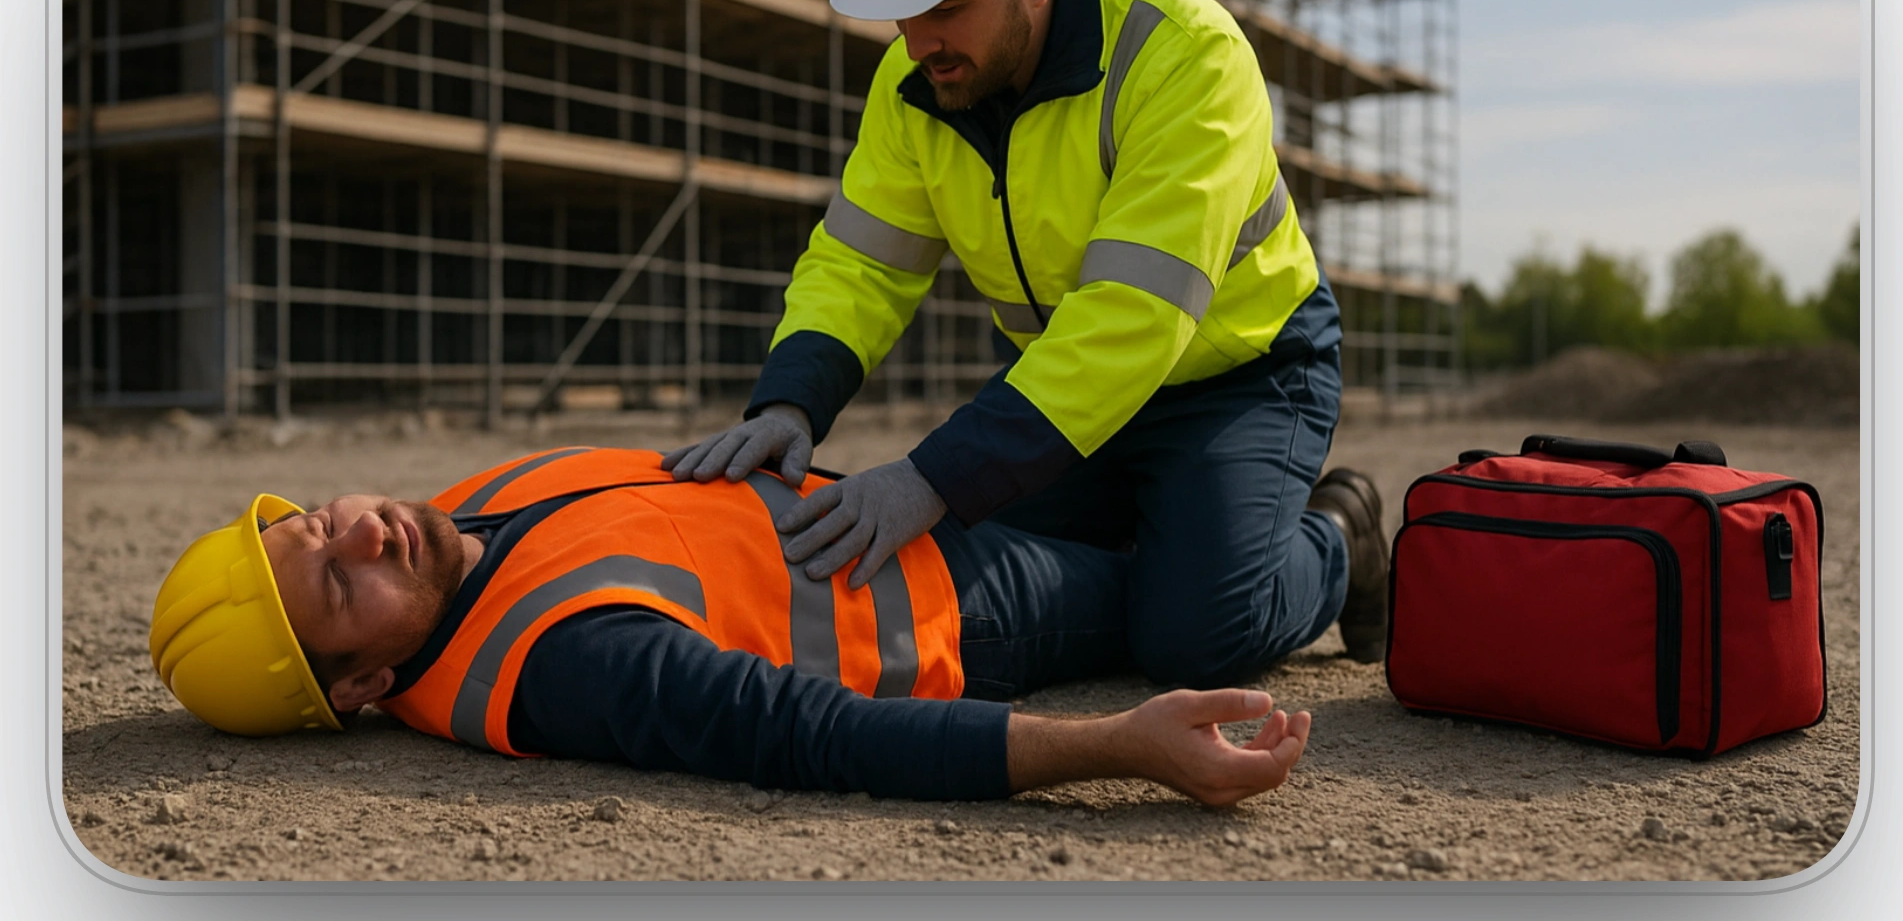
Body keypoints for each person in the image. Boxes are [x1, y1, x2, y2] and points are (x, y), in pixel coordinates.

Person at [665, 0, 1390, 678]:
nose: (919, 43)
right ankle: (1165, 564)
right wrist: (791, 402)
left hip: (1239, 376)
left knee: (1200, 636)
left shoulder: (1187, 58)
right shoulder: (917, 80)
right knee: (951, 562)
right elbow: (861, 264)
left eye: (946, 7)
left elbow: (1132, 318)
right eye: (901, 14)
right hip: (1060, 383)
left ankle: (1341, 534)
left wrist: (931, 476)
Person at [149, 446, 1312, 806]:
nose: (363, 530)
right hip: (961, 607)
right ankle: (1344, 546)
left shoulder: (458, 520)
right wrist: (1115, 744)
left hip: (894, 499)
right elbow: (814, 734)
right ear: (362, 683)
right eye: (337, 585)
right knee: (1203, 608)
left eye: (318, 521)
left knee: (1155, 474)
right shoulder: (558, 661)